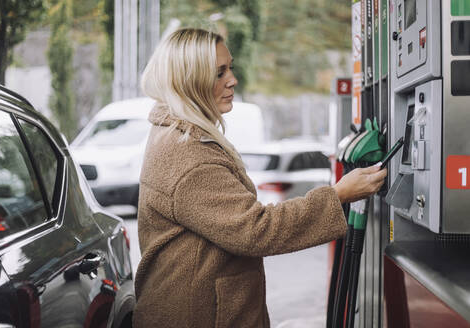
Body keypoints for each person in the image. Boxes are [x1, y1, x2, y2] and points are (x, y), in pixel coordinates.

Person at [133, 28, 387, 328]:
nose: (232, 80)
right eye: (219, 73)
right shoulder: (189, 154)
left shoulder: (173, 133)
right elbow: (256, 230)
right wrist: (339, 195)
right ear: (189, 80)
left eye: (230, 68)